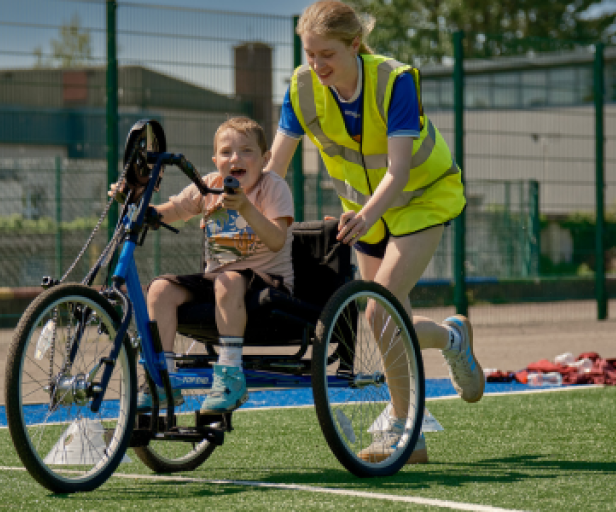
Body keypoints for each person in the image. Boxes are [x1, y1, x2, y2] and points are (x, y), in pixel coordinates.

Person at [265, 0, 484, 464]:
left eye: (327, 54)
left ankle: (407, 432)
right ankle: (451, 344)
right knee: (387, 315)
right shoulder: (301, 89)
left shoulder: (395, 80)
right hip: (363, 211)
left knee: (378, 314)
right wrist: (244, 204)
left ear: (354, 45)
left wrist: (365, 213)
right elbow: (275, 169)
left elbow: (400, 169)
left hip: (422, 198)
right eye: (310, 54)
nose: (317, 65)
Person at [139, 116, 295, 414]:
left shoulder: (273, 187)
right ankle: (163, 379)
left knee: (229, 280)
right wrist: (137, 206)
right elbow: (168, 211)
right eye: (226, 152)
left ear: (265, 159)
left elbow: (276, 240)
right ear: (215, 160)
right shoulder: (209, 185)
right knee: (159, 290)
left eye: (246, 151)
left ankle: (230, 374)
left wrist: (246, 208)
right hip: (220, 283)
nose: (235, 158)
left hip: (268, 284)